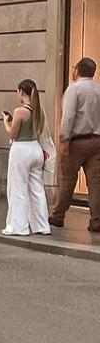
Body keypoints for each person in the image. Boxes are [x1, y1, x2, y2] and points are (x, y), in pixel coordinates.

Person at [49, 57, 100, 233]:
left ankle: (57, 216)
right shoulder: (99, 90)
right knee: (95, 183)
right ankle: (96, 220)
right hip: (96, 141)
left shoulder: (74, 89)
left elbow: (69, 116)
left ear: (77, 70)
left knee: (67, 181)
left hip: (76, 142)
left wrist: (64, 139)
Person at [0, 79, 51, 235]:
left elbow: (12, 133)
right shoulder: (39, 109)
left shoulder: (19, 112)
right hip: (36, 148)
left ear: (21, 92)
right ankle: (42, 226)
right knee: (37, 189)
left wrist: (5, 122)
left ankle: (18, 226)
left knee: (18, 188)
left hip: (21, 150)